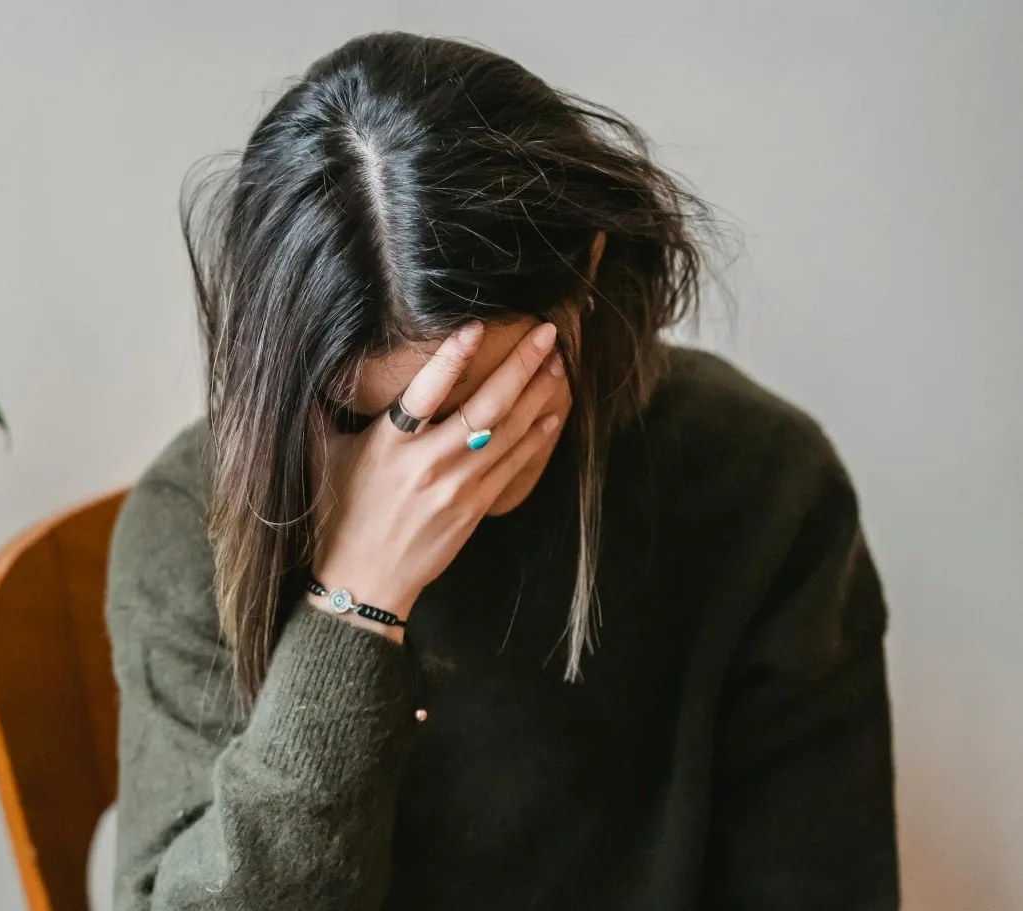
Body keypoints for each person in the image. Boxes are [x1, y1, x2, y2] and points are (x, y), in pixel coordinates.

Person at [105, 32, 897, 911]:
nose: (433, 468)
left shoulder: (762, 485)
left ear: (586, 271)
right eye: (370, 420)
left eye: (480, 402)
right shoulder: (191, 526)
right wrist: (354, 609)